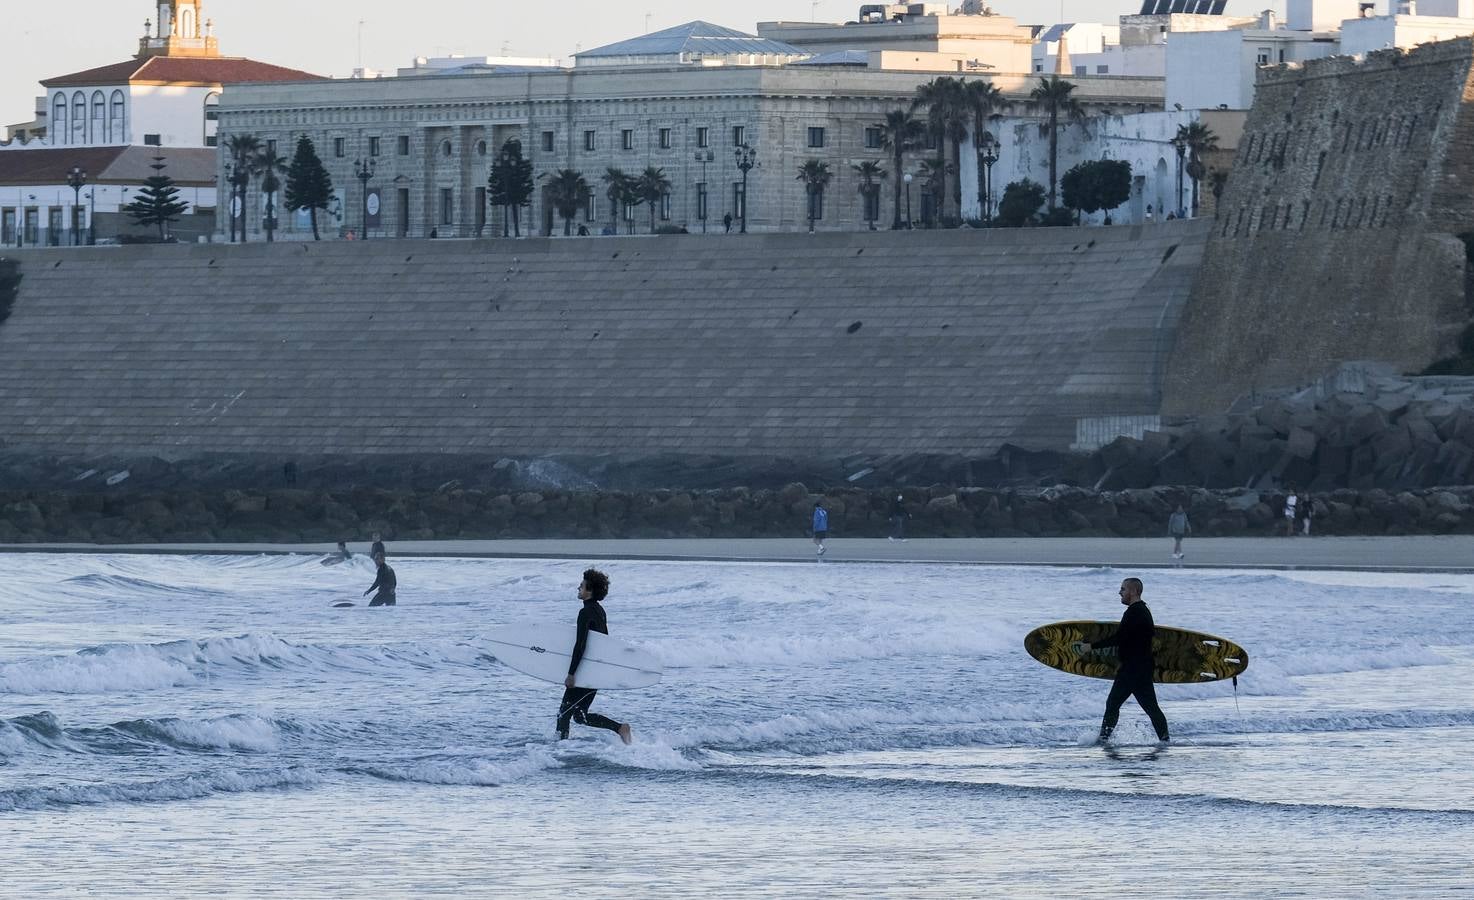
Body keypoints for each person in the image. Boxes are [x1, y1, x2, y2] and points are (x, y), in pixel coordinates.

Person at [1075, 577, 1169, 744]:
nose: (1120, 592)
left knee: (1113, 704)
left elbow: (1119, 637)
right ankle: (1165, 740)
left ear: (1133, 591)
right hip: (1141, 668)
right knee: (1150, 708)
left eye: (1123, 589)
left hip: (1132, 669)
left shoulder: (1135, 612)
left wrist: (1090, 647)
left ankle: (1103, 740)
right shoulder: (1143, 611)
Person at [557, 568, 633, 744]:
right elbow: (604, 643)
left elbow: (581, 645)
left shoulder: (585, 613)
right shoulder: (600, 610)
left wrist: (571, 673)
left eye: (581, 586)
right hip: (595, 669)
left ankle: (557, 750)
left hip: (586, 671)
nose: (578, 588)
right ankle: (620, 728)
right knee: (579, 716)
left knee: (564, 714)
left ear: (589, 590)